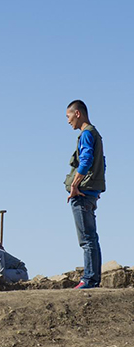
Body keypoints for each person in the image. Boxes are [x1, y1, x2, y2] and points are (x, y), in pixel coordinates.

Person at [65, 100, 106, 289]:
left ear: (78, 114)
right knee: (91, 238)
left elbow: (87, 159)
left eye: (68, 116)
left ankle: (89, 279)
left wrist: (75, 185)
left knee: (87, 239)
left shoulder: (87, 133)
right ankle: (92, 278)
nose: (68, 121)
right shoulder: (95, 134)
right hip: (90, 192)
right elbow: (101, 164)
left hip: (82, 193)